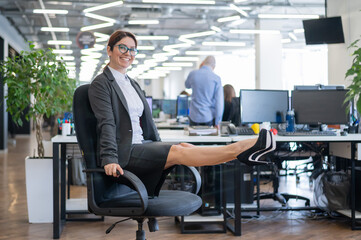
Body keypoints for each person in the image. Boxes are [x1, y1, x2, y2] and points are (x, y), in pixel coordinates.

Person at [88, 30, 276, 197]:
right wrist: (110, 159)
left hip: (141, 145)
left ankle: (247, 149)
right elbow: (107, 123)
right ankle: (241, 149)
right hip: (125, 153)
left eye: (132, 49)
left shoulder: (131, 82)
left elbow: (145, 123)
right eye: (123, 48)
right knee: (178, 151)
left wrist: (160, 143)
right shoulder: (102, 83)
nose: (128, 53)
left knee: (185, 147)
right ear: (109, 50)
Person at [185, 56, 223, 128]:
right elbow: (219, 103)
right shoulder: (216, 78)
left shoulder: (193, 74)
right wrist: (218, 122)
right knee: (207, 139)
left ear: (202, 63)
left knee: (192, 139)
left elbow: (187, 86)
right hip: (208, 117)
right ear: (214, 67)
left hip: (194, 116)